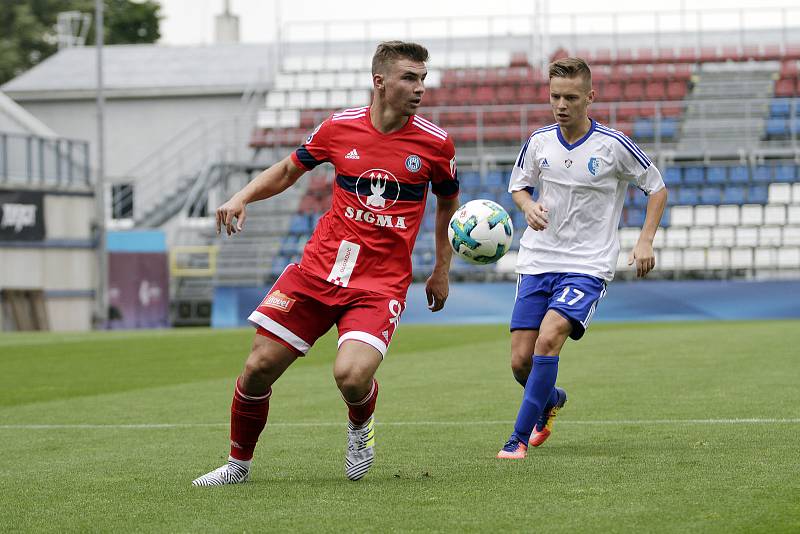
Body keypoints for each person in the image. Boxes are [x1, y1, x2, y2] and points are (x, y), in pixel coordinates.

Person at [191, 41, 460, 485]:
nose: (420, 88)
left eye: (422, 79)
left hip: (380, 283)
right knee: (257, 368)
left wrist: (441, 269)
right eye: (409, 78)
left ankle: (360, 427)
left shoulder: (434, 144)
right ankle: (238, 466)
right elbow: (287, 170)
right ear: (380, 82)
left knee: (352, 377)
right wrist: (242, 196)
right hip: (318, 272)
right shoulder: (338, 128)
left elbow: (449, 206)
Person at [496, 57, 667, 459]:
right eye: (555, 96)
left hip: (588, 264)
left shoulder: (613, 145)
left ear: (590, 97)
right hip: (538, 261)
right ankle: (551, 399)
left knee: (550, 336)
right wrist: (527, 206)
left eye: (571, 97)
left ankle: (516, 440)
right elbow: (518, 187)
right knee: (521, 362)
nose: (562, 104)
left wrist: (644, 242)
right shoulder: (538, 142)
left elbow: (656, 189)